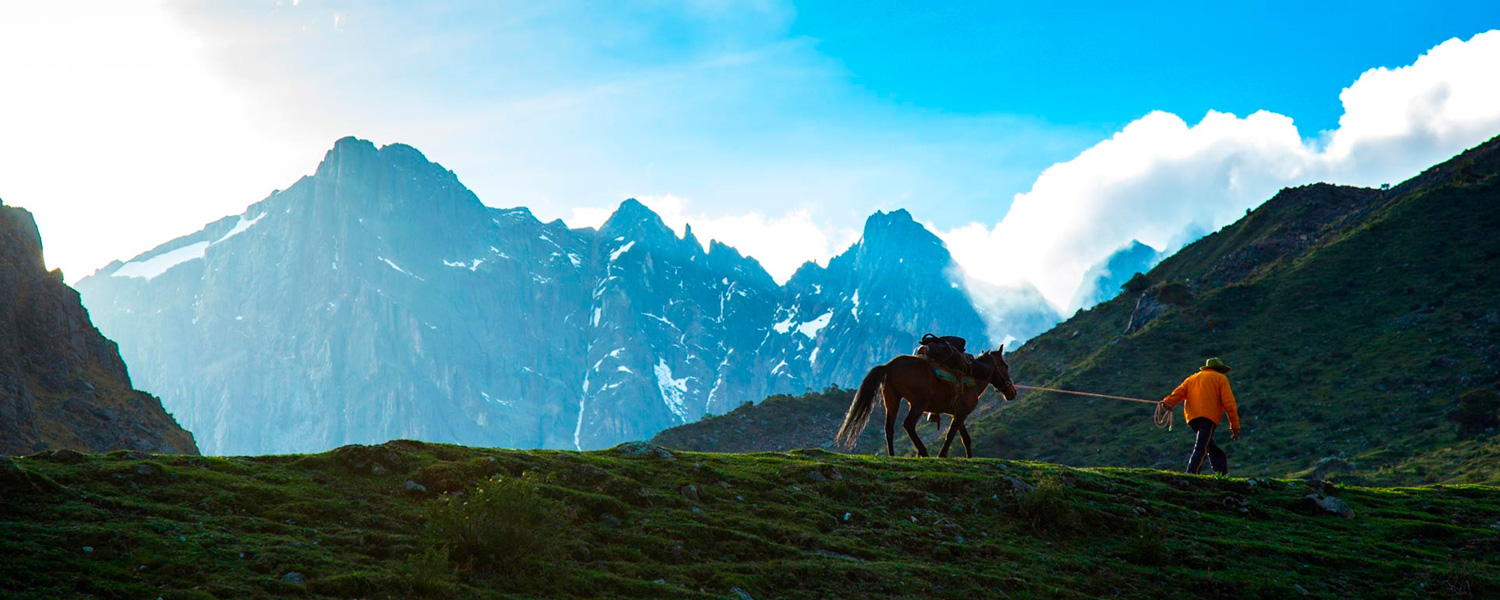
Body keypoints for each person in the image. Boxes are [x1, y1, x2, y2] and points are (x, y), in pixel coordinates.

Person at [1159, 357, 1241, 476]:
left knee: (1208, 445)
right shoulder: (1220, 378)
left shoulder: (1192, 378)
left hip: (1192, 418)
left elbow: (1178, 393)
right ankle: (1191, 473)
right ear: (1219, 369)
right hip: (1208, 417)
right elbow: (1230, 405)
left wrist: (1168, 402)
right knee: (1201, 446)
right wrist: (1235, 428)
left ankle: (1222, 473)